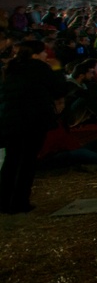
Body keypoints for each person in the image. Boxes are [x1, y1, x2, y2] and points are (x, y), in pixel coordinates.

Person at [2, 40, 66, 213]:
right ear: (36, 54)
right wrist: (57, 69)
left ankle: (4, 200)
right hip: (34, 119)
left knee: (11, 159)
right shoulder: (40, 68)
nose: (46, 55)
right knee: (27, 161)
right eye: (44, 52)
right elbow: (59, 89)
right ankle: (19, 202)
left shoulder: (12, 68)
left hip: (10, 119)